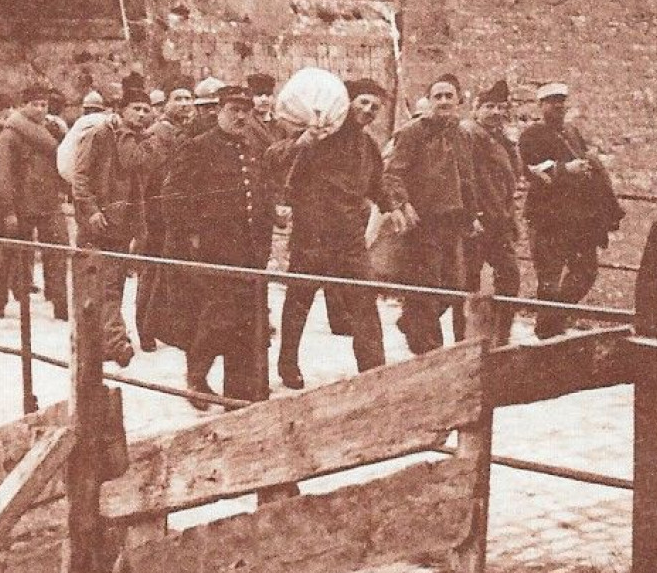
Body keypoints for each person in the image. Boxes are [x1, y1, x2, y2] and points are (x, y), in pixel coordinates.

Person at [273, 78, 396, 387]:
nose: (368, 110)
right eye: (363, 102)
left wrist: (393, 208)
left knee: (364, 304)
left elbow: (377, 186)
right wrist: (302, 143)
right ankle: (288, 364)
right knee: (298, 303)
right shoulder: (320, 136)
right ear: (346, 103)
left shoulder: (367, 146)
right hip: (311, 239)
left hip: (350, 242)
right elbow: (278, 160)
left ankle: (373, 370)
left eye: (375, 107)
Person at [163, 85, 275, 408]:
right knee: (218, 318)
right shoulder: (198, 147)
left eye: (245, 110)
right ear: (219, 111)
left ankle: (241, 393)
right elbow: (173, 196)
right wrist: (191, 236)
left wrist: (271, 219)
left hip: (249, 249)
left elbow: (260, 192)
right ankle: (196, 377)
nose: (240, 116)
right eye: (233, 110)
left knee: (247, 323)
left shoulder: (252, 148)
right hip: (214, 250)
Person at [517, 82, 624, 338]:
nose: (559, 106)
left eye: (562, 101)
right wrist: (566, 169)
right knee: (549, 279)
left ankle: (553, 322)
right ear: (541, 105)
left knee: (586, 272)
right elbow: (533, 170)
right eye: (552, 101)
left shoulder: (572, 132)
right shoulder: (532, 135)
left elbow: (586, 160)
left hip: (579, 221)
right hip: (548, 220)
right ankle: (547, 334)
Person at [383, 75, 478, 356]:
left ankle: (412, 320)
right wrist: (403, 203)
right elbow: (393, 174)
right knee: (429, 286)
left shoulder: (462, 135)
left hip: (453, 222)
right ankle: (431, 350)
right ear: (429, 102)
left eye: (449, 96)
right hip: (424, 224)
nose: (444, 101)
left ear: (459, 100)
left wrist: (471, 216)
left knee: (454, 286)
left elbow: (467, 179)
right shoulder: (412, 133)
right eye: (438, 97)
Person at [71, 88, 155, 367]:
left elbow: (139, 184)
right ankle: (115, 342)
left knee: (114, 285)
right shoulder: (100, 134)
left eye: (146, 109)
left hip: (122, 225)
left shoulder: (140, 141)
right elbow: (80, 178)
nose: (142, 114)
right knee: (99, 285)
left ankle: (104, 342)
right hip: (97, 223)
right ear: (122, 110)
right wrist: (91, 211)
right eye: (136, 109)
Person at [0, 85, 70, 322]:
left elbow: (60, 162)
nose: (40, 109)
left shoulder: (51, 130)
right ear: (24, 105)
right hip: (21, 204)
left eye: (43, 105)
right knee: (11, 253)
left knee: (57, 253)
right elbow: (4, 174)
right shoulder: (11, 133)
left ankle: (60, 304)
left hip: (49, 202)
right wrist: (8, 210)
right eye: (34, 104)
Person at [457, 79, 521, 346]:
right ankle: (463, 341)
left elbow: (511, 180)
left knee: (509, 276)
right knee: (467, 283)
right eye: (489, 106)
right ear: (476, 109)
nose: (496, 112)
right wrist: (470, 216)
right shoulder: (470, 134)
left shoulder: (501, 139)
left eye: (500, 107)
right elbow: (465, 177)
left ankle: (500, 335)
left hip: (499, 222)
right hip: (478, 221)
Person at [135, 78, 195, 352]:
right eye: (178, 99)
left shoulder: (184, 132)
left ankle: (163, 325)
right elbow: (149, 178)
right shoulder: (158, 134)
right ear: (165, 104)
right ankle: (144, 329)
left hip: (176, 213)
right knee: (151, 272)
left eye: (188, 99)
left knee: (169, 273)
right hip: (156, 213)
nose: (184, 104)